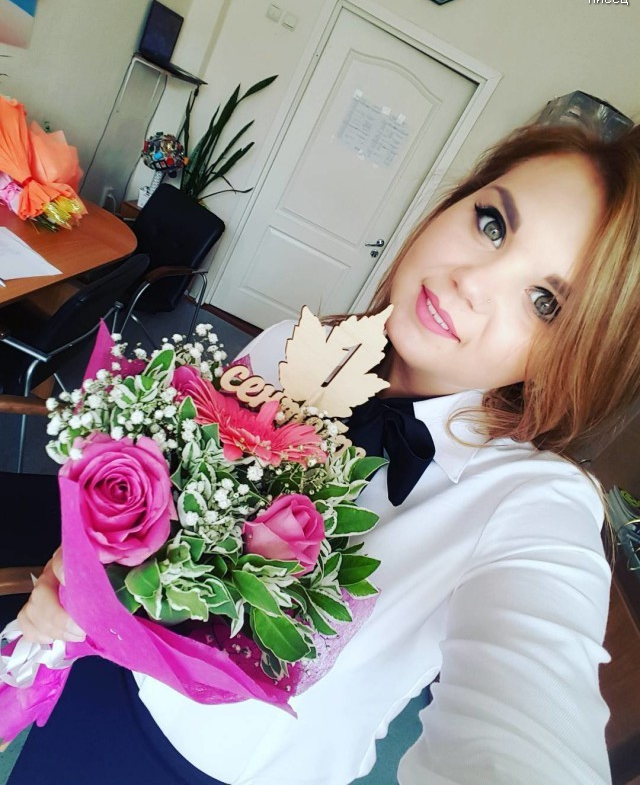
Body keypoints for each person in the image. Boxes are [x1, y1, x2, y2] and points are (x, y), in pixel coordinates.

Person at [4, 119, 640, 785]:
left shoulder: (536, 504)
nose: (472, 282)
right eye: (492, 225)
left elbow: (528, 731)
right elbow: (161, 506)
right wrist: (79, 575)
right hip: (108, 676)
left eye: (545, 302)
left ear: (580, 357)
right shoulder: (285, 344)